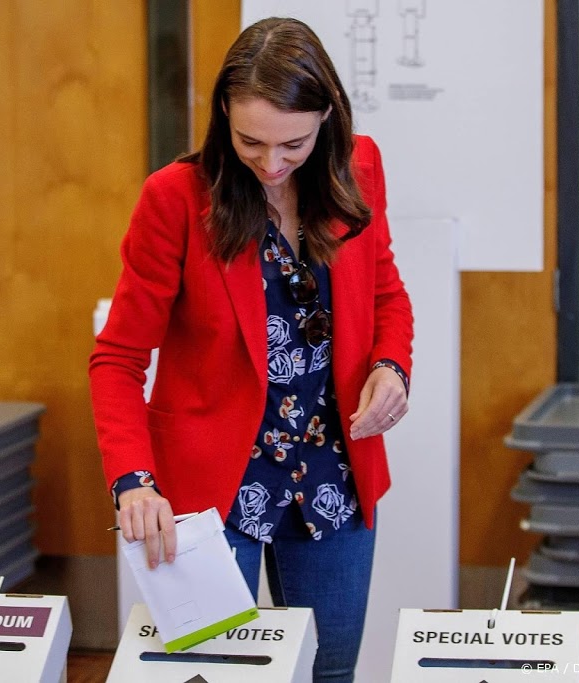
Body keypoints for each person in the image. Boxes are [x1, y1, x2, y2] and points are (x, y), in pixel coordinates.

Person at [89, 16, 413, 683]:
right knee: (214, 673)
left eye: (292, 143)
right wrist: (132, 477)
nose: (270, 163)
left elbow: (387, 294)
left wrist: (391, 365)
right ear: (222, 122)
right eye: (249, 141)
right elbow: (118, 358)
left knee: (328, 672)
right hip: (211, 490)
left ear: (327, 115)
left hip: (333, 475)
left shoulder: (361, 169)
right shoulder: (175, 199)